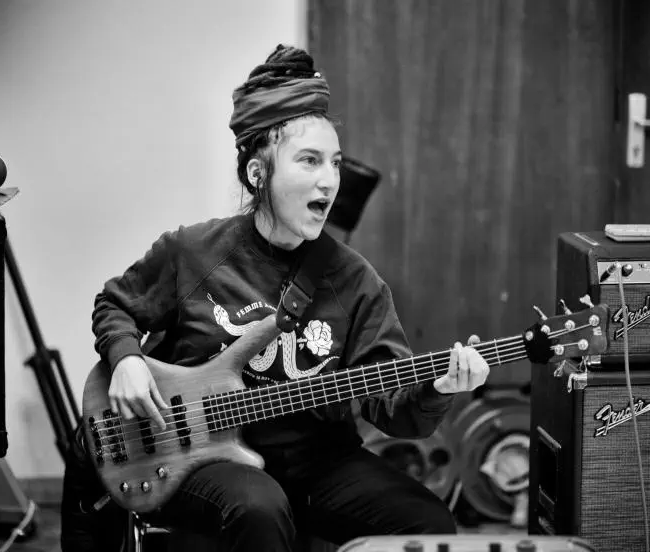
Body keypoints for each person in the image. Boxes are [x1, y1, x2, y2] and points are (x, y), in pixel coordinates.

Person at [61, 44, 490, 552]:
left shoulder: (356, 281)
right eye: (309, 161)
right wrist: (127, 359)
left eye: (334, 163)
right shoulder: (193, 252)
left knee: (428, 524)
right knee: (259, 508)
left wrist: (440, 387)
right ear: (257, 174)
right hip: (200, 456)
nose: (328, 180)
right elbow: (115, 305)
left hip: (317, 463)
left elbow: (393, 409)